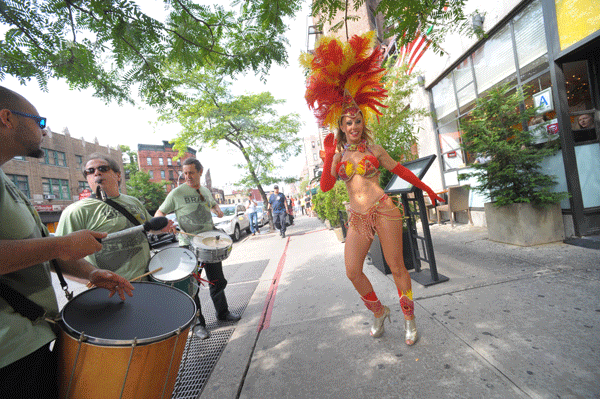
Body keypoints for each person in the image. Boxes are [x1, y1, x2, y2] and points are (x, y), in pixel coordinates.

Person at [302, 32, 445, 345]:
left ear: (362, 122)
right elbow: (326, 187)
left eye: (357, 121)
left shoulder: (375, 149)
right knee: (353, 270)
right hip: (357, 217)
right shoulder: (337, 154)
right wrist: (328, 155)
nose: (353, 127)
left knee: (397, 267)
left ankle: (409, 319)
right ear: (340, 126)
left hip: (384, 210)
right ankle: (379, 311)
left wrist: (429, 190)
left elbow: (401, 170)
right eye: (347, 123)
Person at [0, 86, 134, 398]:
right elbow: (54, 246)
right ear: (6, 118)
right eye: (38, 121)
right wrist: (61, 245)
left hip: (31, 340)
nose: (43, 132)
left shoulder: (6, 180)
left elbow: (41, 246)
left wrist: (90, 273)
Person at [156, 158, 241, 340]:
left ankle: (223, 313)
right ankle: (198, 325)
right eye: (185, 173)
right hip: (188, 244)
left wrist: (217, 210)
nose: (187, 176)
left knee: (217, 280)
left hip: (209, 242)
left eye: (191, 173)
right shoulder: (177, 193)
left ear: (200, 172)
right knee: (192, 286)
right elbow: (159, 213)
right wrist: (165, 224)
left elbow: (212, 204)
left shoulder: (204, 191)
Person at [56, 153, 175, 282]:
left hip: (149, 278)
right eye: (90, 171)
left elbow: (147, 229)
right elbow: (60, 258)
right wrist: (93, 279)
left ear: (118, 175)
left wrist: (161, 229)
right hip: (113, 289)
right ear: (87, 179)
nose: (96, 173)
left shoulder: (133, 201)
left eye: (102, 168)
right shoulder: (75, 211)